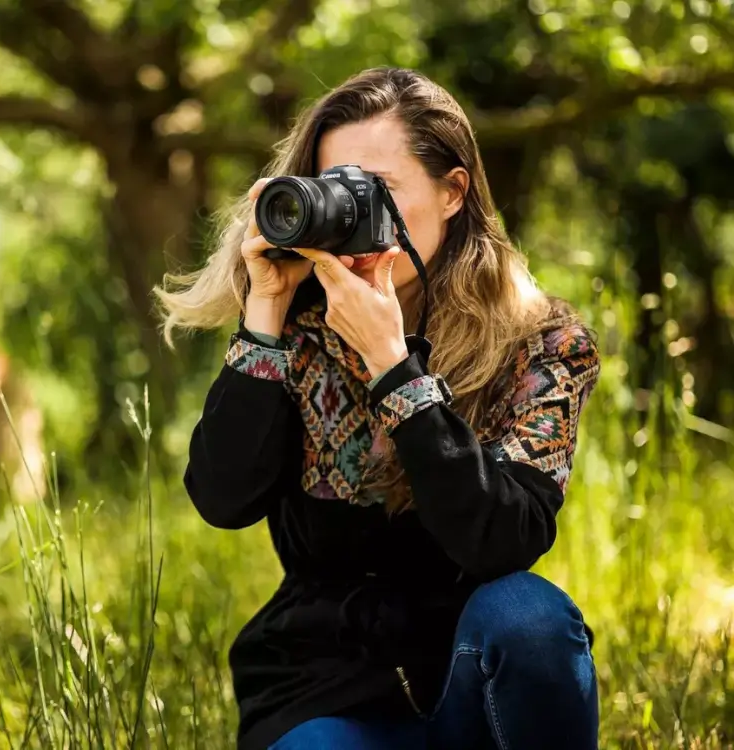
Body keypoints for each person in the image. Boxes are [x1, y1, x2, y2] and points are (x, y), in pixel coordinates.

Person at [154, 67, 602, 750]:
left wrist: (396, 371)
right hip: (326, 688)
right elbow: (223, 500)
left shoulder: (541, 345)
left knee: (531, 617)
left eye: (378, 191)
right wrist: (265, 313)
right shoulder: (301, 333)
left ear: (453, 192)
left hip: (470, 684)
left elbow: (504, 539)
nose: (353, 212)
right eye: (337, 189)